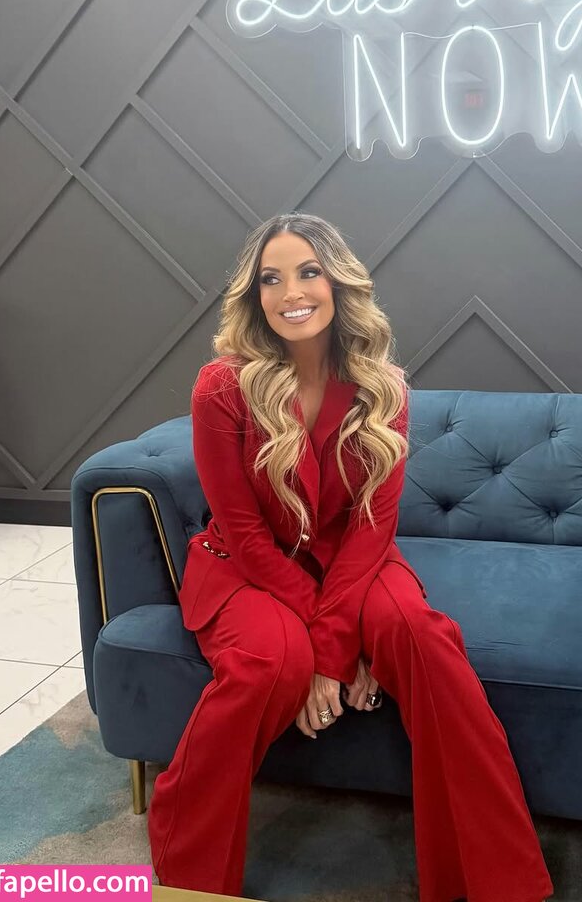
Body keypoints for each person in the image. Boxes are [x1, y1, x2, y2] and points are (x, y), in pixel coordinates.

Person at [147, 212, 554, 902]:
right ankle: (187, 880)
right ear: (253, 295)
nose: (291, 292)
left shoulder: (382, 385)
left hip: (354, 561)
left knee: (421, 637)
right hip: (247, 565)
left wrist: (336, 648)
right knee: (270, 662)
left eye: (308, 272)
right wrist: (331, 648)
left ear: (338, 283)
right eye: (270, 278)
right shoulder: (222, 385)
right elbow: (244, 532)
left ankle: (496, 883)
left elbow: (373, 526)